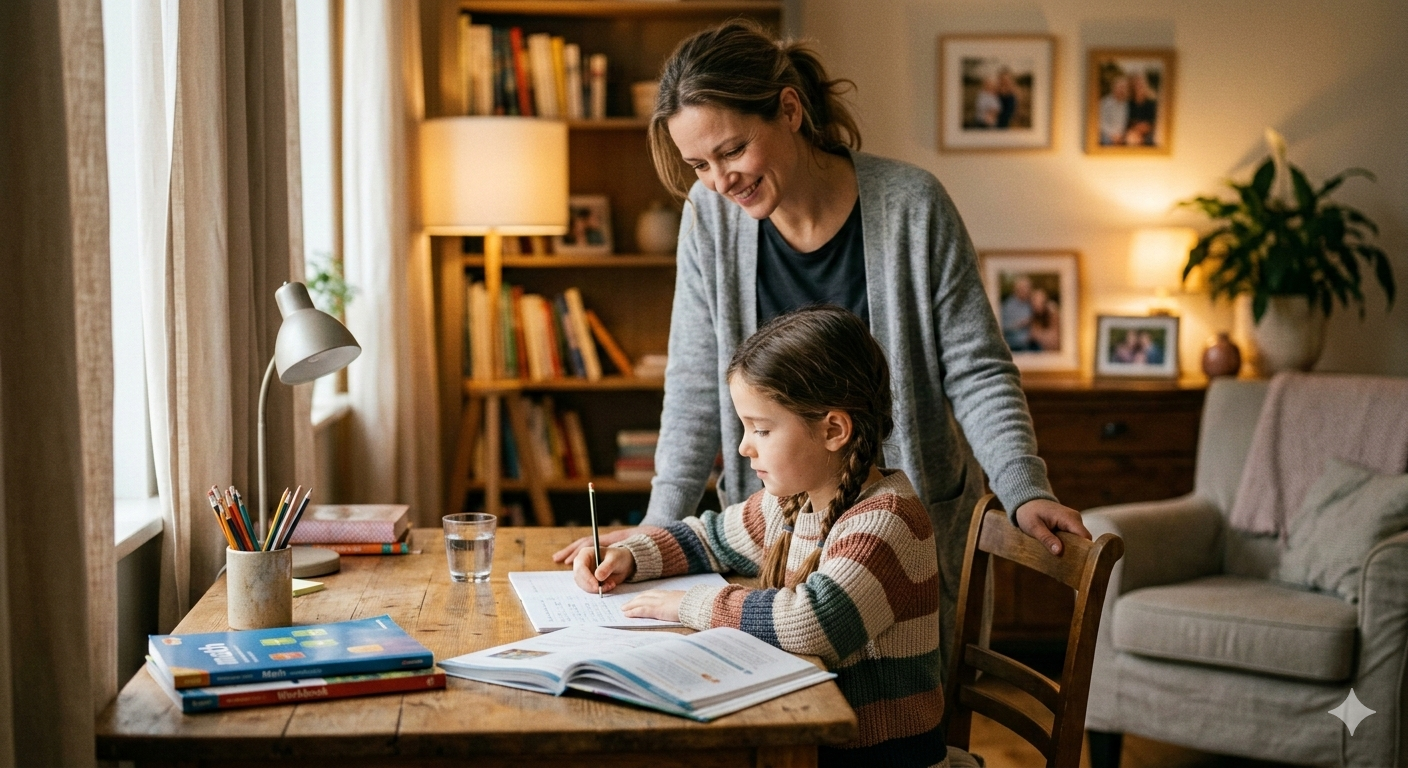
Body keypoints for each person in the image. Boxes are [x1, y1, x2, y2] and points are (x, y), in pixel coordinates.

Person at [552, 20, 1089, 683]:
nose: (720, 181)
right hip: (775, 538)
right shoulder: (709, 216)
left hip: (905, 521)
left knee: (893, 709)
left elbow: (976, 370)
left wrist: (1023, 485)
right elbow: (695, 387)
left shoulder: (912, 206)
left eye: (733, 151)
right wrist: (651, 536)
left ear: (788, 108)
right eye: (699, 165)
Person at [574, 306, 948, 768]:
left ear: (834, 429)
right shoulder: (793, 502)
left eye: (762, 429)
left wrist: (689, 604)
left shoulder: (885, 521)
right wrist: (630, 555)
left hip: (878, 757)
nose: (743, 446)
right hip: (815, 737)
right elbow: (711, 537)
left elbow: (813, 622)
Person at [999, 275, 1035, 350]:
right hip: (1013, 347)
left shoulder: (1030, 303)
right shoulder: (1007, 306)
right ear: (1017, 289)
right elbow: (1001, 327)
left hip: (1029, 346)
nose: (1028, 291)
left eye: (1029, 288)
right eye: (1025, 288)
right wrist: (1019, 324)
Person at [1125, 71, 1158, 146]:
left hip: (1147, 132)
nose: (1138, 87)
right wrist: (1135, 130)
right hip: (1132, 132)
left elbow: (1152, 122)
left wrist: (1142, 129)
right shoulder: (1129, 103)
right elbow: (1127, 122)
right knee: (1131, 139)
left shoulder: (1151, 103)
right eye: (1136, 84)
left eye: (1140, 84)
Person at [1098, 74, 1130, 145]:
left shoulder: (1126, 104)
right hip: (1106, 135)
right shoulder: (1104, 103)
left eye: (1124, 87)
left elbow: (1124, 123)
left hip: (1121, 136)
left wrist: (1120, 136)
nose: (1122, 90)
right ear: (1113, 87)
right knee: (1106, 141)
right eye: (1120, 87)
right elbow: (1100, 122)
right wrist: (1113, 135)